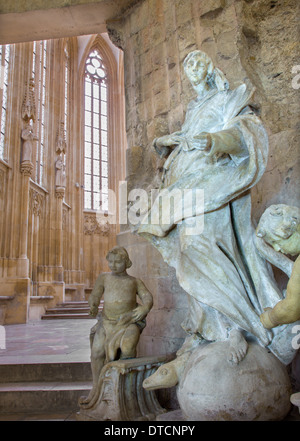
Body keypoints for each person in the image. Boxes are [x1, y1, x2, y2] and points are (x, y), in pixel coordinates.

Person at [139, 50, 290, 379]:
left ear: (209, 68)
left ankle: (240, 325)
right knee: (188, 256)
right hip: (185, 191)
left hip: (215, 187)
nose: (192, 68)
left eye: (197, 62)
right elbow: (182, 145)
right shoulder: (193, 108)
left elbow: (247, 130)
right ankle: (215, 328)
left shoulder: (227, 98)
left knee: (202, 250)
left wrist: (216, 139)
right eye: (187, 64)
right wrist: (168, 143)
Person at [81, 246, 153, 405]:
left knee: (127, 347)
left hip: (128, 322)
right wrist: (93, 304)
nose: (113, 265)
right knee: (97, 352)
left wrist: (144, 307)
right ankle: (97, 387)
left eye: (118, 261)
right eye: (110, 261)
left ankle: (124, 386)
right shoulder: (104, 278)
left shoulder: (134, 281)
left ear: (127, 262)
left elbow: (147, 296)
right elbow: (95, 294)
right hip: (107, 322)